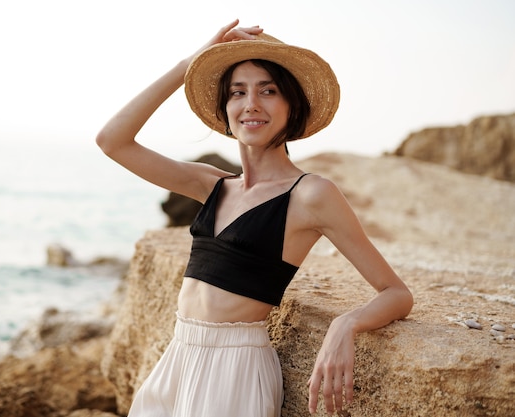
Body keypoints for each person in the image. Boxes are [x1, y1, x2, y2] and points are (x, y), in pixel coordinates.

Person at [96, 19, 413, 417]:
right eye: (237, 92)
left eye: (268, 91)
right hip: (177, 357)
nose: (251, 104)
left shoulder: (311, 194)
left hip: (235, 371)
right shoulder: (213, 185)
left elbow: (396, 294)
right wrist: (189, 64)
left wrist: (345, 324)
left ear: (291, 106)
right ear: (225, 108)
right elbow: (112, 141)